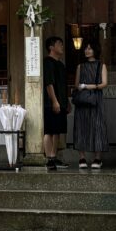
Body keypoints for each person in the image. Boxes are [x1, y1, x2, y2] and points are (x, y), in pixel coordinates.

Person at [73, 41, 108, 169]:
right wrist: (81, 87)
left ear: (95, 50)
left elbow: (104, 83)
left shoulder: (101, 65)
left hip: (96, 99)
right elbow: (76, 84)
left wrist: (87, 86)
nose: (87, 51)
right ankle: (81, 158)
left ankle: (97, 158)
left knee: (97, 127)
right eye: (86, 48)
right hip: (83, 100)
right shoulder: (80, 66)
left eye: (90, 48)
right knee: (81, 126)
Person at [43, 35, 69, 170]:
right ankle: (48, 158)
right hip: (50, 102)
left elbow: (64, 85)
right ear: (51, 47)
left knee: (57, 131)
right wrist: (54, 101)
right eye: (59, 44)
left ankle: (54, 156)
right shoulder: (48, 62)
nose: (62, 46)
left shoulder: (61, 64)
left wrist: (66, 102)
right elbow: (49, 83)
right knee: (49, 131)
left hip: (61, 101)